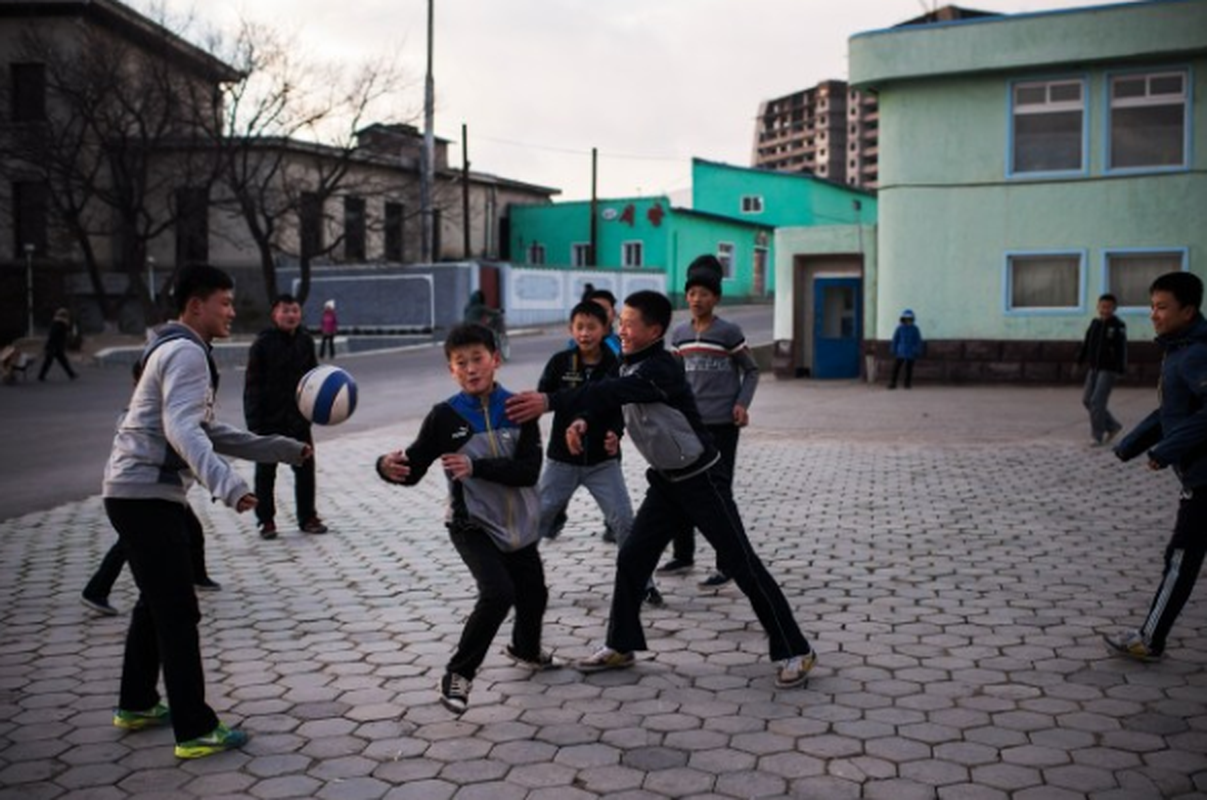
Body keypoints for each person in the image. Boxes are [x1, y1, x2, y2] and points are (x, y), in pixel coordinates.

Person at [506, 290, 816, 689]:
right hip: (667, 483)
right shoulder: (625, 364)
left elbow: (611, 392)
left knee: (741, 562)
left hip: (703, 480)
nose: (622, 329)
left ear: (654, 330)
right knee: (632, 557)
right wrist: (582, 421)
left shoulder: (663, 366)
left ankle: (796, 649)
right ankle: (621, 644)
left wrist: (549, 401)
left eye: (629, 324)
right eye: (620, 322)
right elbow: (603, 399)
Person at [101, 264, 311, 758]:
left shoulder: (173, 349)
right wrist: (230, 486)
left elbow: (207, 430)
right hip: (146, 495)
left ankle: (135, 704)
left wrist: (282, 447)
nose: (232, 312)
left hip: (133, 493)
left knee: (154, 604)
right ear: (196, 306)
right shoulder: (187, 352)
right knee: (177, 611)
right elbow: (182, 429)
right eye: (225, 303)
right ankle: (195, 730)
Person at [375, 323, 555, 714]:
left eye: (478, 359)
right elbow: (414, 467)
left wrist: (476, 466)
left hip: (519, 524)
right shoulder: (443, 417)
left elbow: (527, 471)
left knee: (535, 594)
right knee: (498, 593)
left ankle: (526, 649)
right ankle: (459, 675)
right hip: (470, 524)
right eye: (461, 362)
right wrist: (384, 467)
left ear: (496, 360)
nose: (471, 368)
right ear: (450, 370)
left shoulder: (519, 407)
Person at [1109, 271, 1207, 663]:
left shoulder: (1197, 353)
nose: (1153, 314)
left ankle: (1149, 640)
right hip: (1197, 474)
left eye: (1162, 307)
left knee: (1180, 560)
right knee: (1182, 559)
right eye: (1151, 306)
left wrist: (1166, 450)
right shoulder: (1182, 348)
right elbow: (1172, 409)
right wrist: (1131, 445)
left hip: (1204, 479)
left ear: (1188, 310)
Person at [536, 302, 660, 605]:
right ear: (571, 329)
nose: (585, 332)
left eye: (592, 327)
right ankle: (517, 581)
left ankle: (643, 583)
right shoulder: (559, 363)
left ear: (605, 330)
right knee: (535, 521)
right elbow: (543, 400)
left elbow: (621, 409)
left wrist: (613, 435)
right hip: (561, 462)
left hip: (603, 464)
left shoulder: (616, 365)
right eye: (579, 326)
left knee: (624, 522)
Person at [657, 255, 759, 590]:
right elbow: (673, 376)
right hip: (686, 426)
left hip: (721, 426)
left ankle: (727, 564)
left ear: (715, 298)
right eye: (691, 293)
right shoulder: (681, 334)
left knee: (718, 493)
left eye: (704, 293)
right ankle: (683, 555)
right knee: (679, 487)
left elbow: (751, 370)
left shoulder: (728, 332)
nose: (696, 299)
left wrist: (742, 404)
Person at [244, 294, 327, 538]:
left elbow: (315, 379)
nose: (291, 315)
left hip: (298, 419)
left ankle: (308, 517)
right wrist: (254, 422)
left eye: (294, 311)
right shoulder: (262, 344)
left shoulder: (305, 341)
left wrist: (315, 410)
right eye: (285, 311)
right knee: (265, 472)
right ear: (275, 314)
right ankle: (266, 521)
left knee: (305, 470)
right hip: (269, 420)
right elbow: (252, 385)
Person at [1077, 293, 1127, 447]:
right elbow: (1086, 343)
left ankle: (1097, 436)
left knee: (1097, 402)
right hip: (1094, 368)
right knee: (1087, 400)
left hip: (1109, 369)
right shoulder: (1095, 323)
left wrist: (1121, 368)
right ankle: (1112, 426)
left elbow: (1122, 349)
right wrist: (1080, 360)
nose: (1105, 310)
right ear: (1098, 307)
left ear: (1114, 308)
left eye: (1109, 307)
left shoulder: (1118, 326)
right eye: (1102, 307)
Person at [38, 307, 78, 381]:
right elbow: (54, 335)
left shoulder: (58, 323)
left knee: (60, 361)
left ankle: (71, 374)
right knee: (51, 362)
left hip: (55, 346)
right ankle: (41, 376)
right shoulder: (59, 324)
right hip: (54, 346)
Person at [888, 309, 923, 390]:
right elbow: (895, 339)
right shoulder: (899, 328)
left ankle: (907, 383)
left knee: (909, 369)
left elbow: (918, 340)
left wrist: (917, 350)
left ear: (912, 319)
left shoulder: (915, 329)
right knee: (896, 368)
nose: (908, 321)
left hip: (911, 351)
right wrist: (893, 349)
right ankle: (893, 382)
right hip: (900, 351)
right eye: (906, 319)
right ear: (903, 319)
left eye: (909, 319)